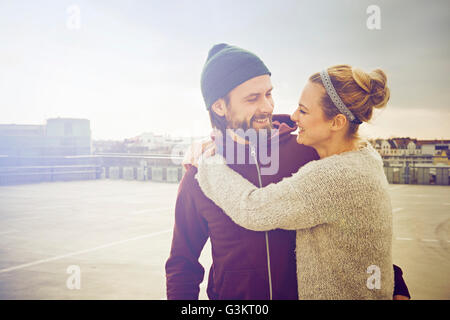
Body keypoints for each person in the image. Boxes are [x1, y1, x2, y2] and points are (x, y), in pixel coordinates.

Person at [165, 43, 410, 300]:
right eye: (253, 98)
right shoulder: (199, 176)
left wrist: (397, 287)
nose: (268, 106)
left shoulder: (308, 153)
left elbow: (358, 234)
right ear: (219, 107)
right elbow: (182, 265)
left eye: (268, 94)